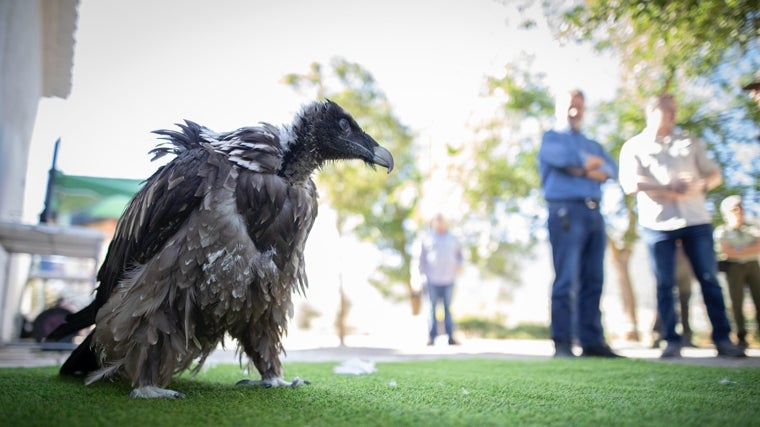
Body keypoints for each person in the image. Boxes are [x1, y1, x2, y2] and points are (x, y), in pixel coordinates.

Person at [618, 93, 745, 358]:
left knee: (708, 279)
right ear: (652, 112)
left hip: (696, 219)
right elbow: (630, 184)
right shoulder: (634, 146)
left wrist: (699, 184)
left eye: (675, 111)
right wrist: (666, 187)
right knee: (664, 283)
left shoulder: (690, 141)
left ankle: (722, 338)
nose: (674, 116)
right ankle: (670, 340)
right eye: (668, 111)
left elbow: (714, 175)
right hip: (657, 223)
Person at [538, 89, 621, 358]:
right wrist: (585, 166)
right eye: (570, 106)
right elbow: (563, 160)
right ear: (559, 108)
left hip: (594, 213)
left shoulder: (593, 144)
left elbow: (610, 169)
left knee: (594, 278)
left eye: (580, 107)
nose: (575, 111)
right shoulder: (551, 138)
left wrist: (582, 167)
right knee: (566, 278)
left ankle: (592, 341)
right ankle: (562, 342)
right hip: (565, 212)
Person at [714, 195, 760, 349]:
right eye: (734, 208)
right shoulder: (722, 231)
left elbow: (758, 247)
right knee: (736, 303)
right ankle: (741, 337)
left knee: (758, 299)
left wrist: (738, 249)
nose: (739, 211)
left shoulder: (752, 228)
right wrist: (746, 249)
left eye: (741, 207)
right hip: (733, 268)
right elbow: (727, 252)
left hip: (753, 266)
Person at [418, 214, 463, 346]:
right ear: (433, 223)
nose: (439, 223)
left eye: (441, 220)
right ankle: (431, 337)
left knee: (448, 308)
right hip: (431, 279)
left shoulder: (453, 238)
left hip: (449, 279)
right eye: (437, 221)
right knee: (432, 308)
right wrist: (420, 276)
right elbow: (421, 259)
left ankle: (451, 337)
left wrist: (458, 267)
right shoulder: (427, 238)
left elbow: (460, 256)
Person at [651, 243, 695, 348]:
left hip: (685, 269)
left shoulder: (690, 238)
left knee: (685, 303)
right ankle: (658, 335)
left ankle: (687, 336)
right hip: (669, 268)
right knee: (665, 302)